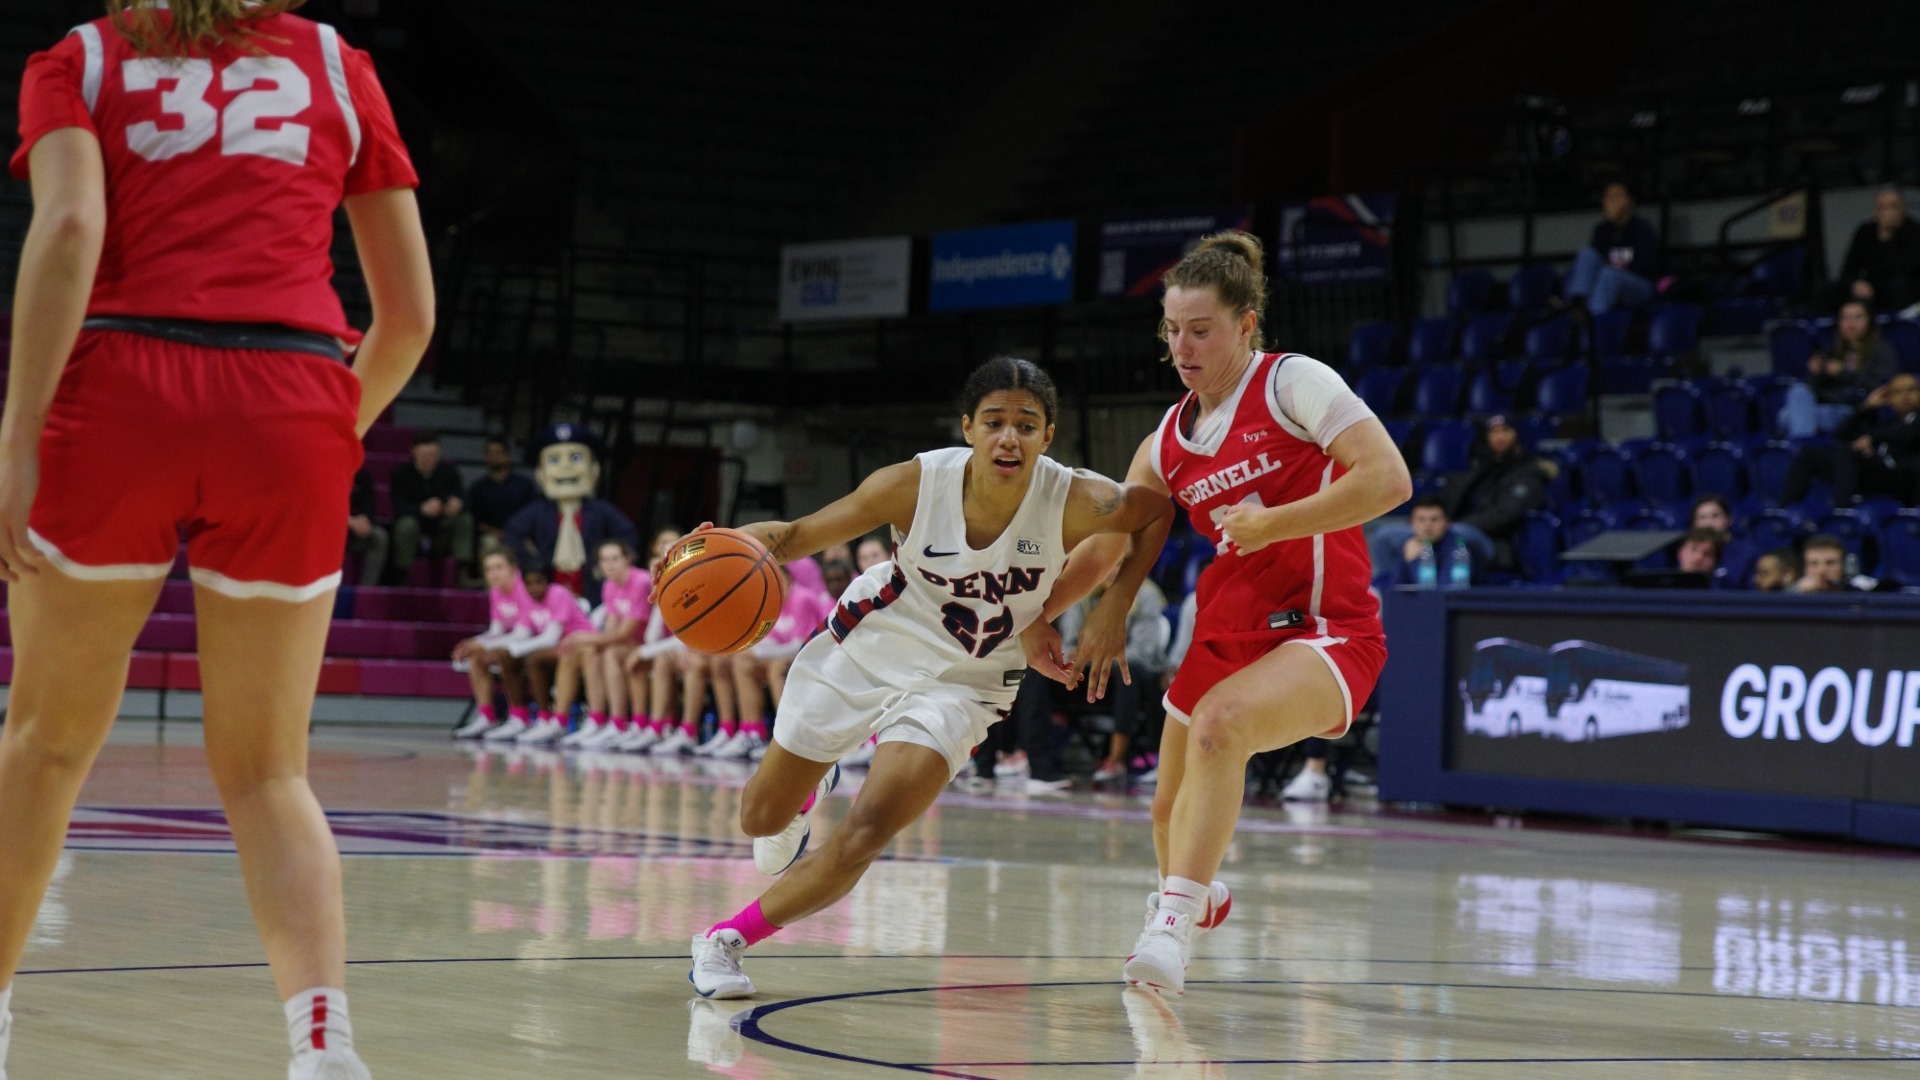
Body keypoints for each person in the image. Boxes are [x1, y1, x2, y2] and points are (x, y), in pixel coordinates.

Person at [0, 3, 432, 1076]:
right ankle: (323, 1043)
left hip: (124, 391)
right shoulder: (335, 62)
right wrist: (325, 434)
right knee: (268, 771)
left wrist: (17, 438)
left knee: (45, 745)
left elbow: (69, 231)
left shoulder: (82, 58)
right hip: (291, 392)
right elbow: (410, 316)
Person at [686, 356, 1175, 999]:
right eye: (994, 422)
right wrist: (707, 548)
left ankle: (725, 940)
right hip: (874, 643)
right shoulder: (914, 485)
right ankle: (809, 790)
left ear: (1047, 436)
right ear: (967, 427)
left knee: (868, 831)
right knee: (759, 819)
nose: (1009, 438)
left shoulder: (1077, 497)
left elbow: (1154, 513)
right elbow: (793, 536)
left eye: (1027, 425)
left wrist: (1104, 609)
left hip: (968, 678)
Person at [1027, 231, 1409, 998]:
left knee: (1219, 724)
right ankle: (1196, 896)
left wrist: (1277, 522)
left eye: (1200, 330)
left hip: (1325, 628)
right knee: (1167, 813)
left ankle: (1169, 930)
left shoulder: (1292, 382)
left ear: (1245, 325)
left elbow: (1388, 479)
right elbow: (1108, 545)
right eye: (1172, 330)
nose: (1182, 347)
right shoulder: (1166, 440)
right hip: (1225, 630)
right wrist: (1034, 616)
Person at [1061, 564, 1170, 786]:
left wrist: (1097, 657)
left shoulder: (1147, 594)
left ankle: (1116, 759)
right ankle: (1032, 757)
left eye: (1120, 563)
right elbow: (1068, 644)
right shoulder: (1084, 590)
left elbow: (1142, 652)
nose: (1112, 569)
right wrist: (1073, 656)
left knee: (1127, 673)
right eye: (1110, 562)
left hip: (1134, 672)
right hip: (1091, 670)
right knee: (1038, 672)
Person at [556, 539, 651, 750]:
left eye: (615, 558)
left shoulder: (641, 582)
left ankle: (621, 723)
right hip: (627, 643)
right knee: (591, 652)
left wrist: (582, 637)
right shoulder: (609, 586)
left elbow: (626, 632)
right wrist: (589, 642)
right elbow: (612, 628)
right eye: (605, 560)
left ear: (627, 559)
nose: (610, 564)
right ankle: (597, 719)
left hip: (648, 644)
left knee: (608, 653)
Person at [484, 562, 594, 742]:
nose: (534, 587)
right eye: (529, 583)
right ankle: (519, 717)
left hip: (577, 644)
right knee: (506, 657)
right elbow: (523, 633)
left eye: (539, 582)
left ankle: (546, 717)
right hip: (555, 649)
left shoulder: (558, 594)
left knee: (532, 659)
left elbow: (551, 638)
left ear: (548, 582)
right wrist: (493, 647)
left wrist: (513, 648)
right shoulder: (525, 597)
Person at [1780, 373, 1920, 507]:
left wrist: (1871, 438)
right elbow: (1840, 435)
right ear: (1889, 398)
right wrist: (1865, 406)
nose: (1905, 396)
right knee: (1809, 454)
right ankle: (1783, 511)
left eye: (1911, 390)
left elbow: (1908, 434)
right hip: (1877, 474)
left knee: (1848, 453)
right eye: (1898, 392)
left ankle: (1842, 511)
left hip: (1904, 477)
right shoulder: (1887, 423)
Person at [1777, 301, 1899, 438]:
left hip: (1857, 411)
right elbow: (1816, 388)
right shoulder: (1833, 349)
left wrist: (1843, 373)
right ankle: (1804, 445)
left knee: (1787, 417)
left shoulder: (1882, 350)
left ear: (1869, 321)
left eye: (1857, 317)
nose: (1850, 324)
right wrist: (1818, 373)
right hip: (1828, 405)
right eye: (1845, 318)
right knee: (1798, 391)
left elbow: (1880, 387)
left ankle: (1803, 448)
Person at [451, 550, 534, 739]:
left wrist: (484, 645)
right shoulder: (496, 591)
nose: (493, 574)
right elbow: (496, 630)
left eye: (499, 567)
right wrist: (473, 643)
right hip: (513, 643)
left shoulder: (524, 589)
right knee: (477, 656)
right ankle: (486, 717)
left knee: (499, 655)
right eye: (488, 569)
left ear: (513, 569)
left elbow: (523, 633)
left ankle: (518, 716)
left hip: (532, 643)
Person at [389, 430, 476, 586]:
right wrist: (421, 509)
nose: (429, 459)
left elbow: (465, 498)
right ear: (414, 451)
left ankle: (462, 572)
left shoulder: (449, 472)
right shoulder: (401, 474)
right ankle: (402, 575)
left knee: (464, 518)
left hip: (442, 532)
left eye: (434, 454)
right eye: (425, 455)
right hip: (415, 533)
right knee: (406, 524)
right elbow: (399, 508)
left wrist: (457, 504)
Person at [1563, 180, 1662, 316]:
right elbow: (1593, 264)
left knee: (1609, 275)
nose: (1611, 202)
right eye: (1608, 197)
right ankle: (1578, 304)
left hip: (1640, 286)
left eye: (1617, 196)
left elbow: (1646, 267)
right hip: (1608, 283)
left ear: (1630, 201)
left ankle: (1594, 322)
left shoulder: (1641, 228)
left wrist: (1614, 269)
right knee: (1587, 254)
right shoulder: (1602, 230)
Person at [1835, 188, 1920, 312]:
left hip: (1905, 286)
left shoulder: (1915, 231)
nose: (1888, 212)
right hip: (1871, 285)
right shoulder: (1865, 231)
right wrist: (1855, 284)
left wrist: (1887, 237)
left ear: (1902, 209)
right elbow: (1848, 270)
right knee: (1829, 291)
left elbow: (1903, 270)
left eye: (1893, 207)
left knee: (1897, 286)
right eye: (1882, 208)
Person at [1379, 496, 1476, 587]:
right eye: (1421, 520)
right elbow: (1394, 587)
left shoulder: (1458, 548)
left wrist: (1414, 560)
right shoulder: (1410, 543)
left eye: (1434, 519)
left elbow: (1443, 591)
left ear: (1447, 523)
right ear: (1412, 524)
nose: (1428, 525)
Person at [467, 436, 539, 546]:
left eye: (497, 453)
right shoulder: (478, 487)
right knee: (488, 542)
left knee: (531, 546)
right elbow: (476, 521)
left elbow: (533, 514)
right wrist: (494, 532)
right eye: (490, 453)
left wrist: (521, 534)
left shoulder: (524, 484)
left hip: (521, 535)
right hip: (492, 536)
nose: (493, 457)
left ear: (508, 455)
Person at [345, 465, 390, 588]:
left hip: (356, 532)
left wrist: (362, 521)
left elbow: (370, 508)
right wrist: (349, 521)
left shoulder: (363, 475)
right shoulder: (327, 473)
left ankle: (367, 589)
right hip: (332, 531)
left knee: (379, 536)